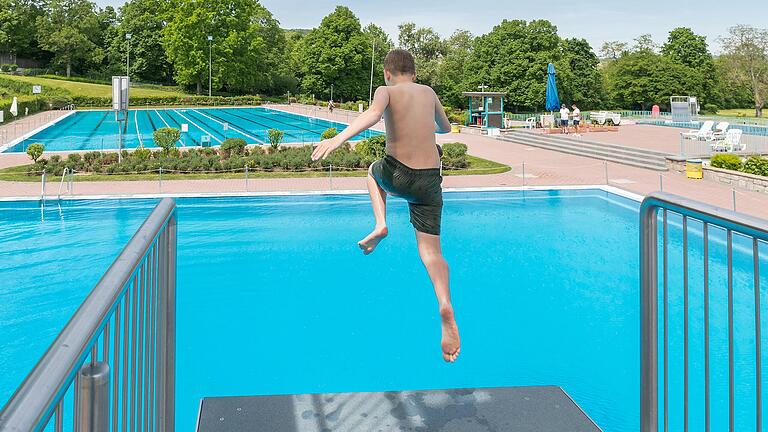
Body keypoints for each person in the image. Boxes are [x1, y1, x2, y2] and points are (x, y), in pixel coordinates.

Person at [311, 49, 461, 363]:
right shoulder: (429, 92)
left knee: (371, 172)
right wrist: (424, 126)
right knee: (432, 253)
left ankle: (380, 223)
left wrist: (338, 140)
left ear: (387, 73)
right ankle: (445, 304)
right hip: (430, 181)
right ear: (415, 73)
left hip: (398, 174)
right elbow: (445, 129)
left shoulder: (385, 91)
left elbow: (373, 115)